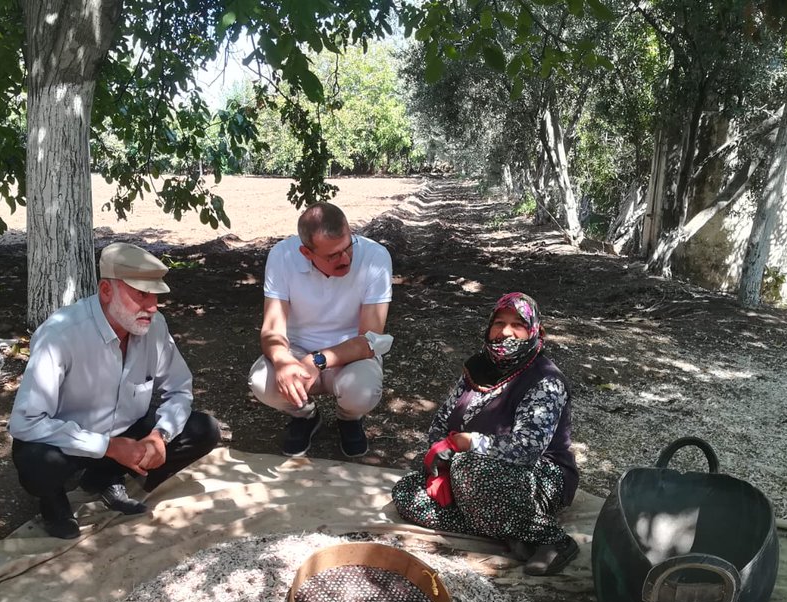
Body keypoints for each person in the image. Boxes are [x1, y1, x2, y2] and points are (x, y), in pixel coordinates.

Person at [9, 242, 221, 538]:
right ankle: (52, 500)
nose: (152, 308)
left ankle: (105, 477)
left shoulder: (154, 326)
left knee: (204, 429)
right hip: (70, 439)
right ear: (106, 291)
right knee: (36, 463)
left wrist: (159, 437)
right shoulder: (61, 334)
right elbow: (25, 421)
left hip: (127, 429)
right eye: (140, 295)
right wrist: (107, 446)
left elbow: (180, 389)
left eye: (155, 297)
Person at [392, 292, 580, 576]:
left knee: (470, 467)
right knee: (406, 493)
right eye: (499, 322)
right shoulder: (478, 368)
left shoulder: (545, 380)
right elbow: (441, 422)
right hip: (470, 475)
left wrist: (468, 444)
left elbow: (527, 450)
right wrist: (439, 457)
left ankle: (550, 538)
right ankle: (502, 526)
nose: (505, 331)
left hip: (538, 475)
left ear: (534, 331)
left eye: (517, 324)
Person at [248, 202, 393, 458]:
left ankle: (349, 418)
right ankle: (304, 415)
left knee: (363, 390)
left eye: (348, 247)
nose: (345, 258)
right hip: (297, 350)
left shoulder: (375, 257)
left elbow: (370, 340)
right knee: (261, 380)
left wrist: (317, 361)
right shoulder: (282, 256)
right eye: (333, 255)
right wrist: (283, 362)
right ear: (306, 252)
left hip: (352, 355)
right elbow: (272, 329)